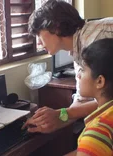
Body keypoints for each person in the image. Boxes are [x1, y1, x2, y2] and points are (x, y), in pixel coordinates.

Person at [22, 0, 113, 133]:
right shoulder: (80, 47)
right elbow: (82, 101)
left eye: (39, 34)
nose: (40, 43)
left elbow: (107, 99)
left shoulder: (96, 40)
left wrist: (61, 114)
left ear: (55, 27)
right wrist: (53, 121)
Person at [65, 38, 113, 156]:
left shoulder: (97, 132)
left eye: (82, 69)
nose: (78, 75)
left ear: (100, 81)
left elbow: (92, 145)